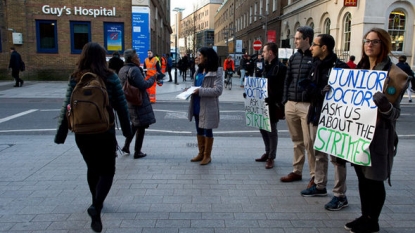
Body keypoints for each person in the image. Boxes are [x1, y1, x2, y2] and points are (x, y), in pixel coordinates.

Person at [54, 42, 132, 233]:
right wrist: (128, 132)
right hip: (104, 131)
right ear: (102, 58)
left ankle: (95, 202)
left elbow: (67, 107)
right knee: (108, 170)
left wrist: (61, 133)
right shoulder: (110, 77)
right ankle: (96, 205)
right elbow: (121, 106)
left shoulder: (75, 78)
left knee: (93, 168)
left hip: (81, 133)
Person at [344, 28, 410, 233]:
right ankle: (365, 216)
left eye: (375, 41)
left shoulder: (395, 75)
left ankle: (373, 221)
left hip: (379, 135)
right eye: (367, 40)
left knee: (374, 178)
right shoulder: (360, 71)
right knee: (362, 177)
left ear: (384, 45)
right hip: (358, 132)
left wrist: (385, 106)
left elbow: (395, 114)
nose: (369, 44)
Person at [297, 34, 350, 212]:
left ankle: (340, 195)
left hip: (334, 119)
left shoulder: (340, 68)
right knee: (318, 152)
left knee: (336, 157)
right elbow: (306, 91)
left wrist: (318, 92)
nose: (311, 47)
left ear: (324, 47)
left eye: (315, 45)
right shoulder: (314, 66)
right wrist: (316, 91)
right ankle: (320, 186)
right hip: (315, 115)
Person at [280, 26, 315, 187]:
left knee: (309, 142)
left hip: (307, 105)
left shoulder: (315, 57)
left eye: (298, 38)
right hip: (291, 104)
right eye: (295, 38)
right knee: (297, 141)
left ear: (307, 39)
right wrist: (285, 100)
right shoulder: (293, 58)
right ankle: (297, 171)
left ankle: (314, 175)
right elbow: (287, 80)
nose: (295, 41)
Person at [187, 47, 223, 165]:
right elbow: (196, 85)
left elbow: (218, 90)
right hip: (197, 104)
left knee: (208, 130)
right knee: (199, 129)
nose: (198, 57)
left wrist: (200, 91)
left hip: (208, 106)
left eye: (200, 55)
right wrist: (189, 90)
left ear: (207, 57)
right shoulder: (198, 70)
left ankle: (207, 156)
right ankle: (200, 153)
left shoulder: (216, 71)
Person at [254, 42, 287, 169]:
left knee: (271, 130)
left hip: (273, 104)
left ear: (270, 53)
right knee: (262, 127)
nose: (262, 54)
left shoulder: (280, 68)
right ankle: (267, 152)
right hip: (262, 102)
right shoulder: (265, 66)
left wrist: (272, 97)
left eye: (264, 51)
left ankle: (271, 157)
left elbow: (282, 88)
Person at [119, 49, 156, 159]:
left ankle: (126, 146)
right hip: (138, 101)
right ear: (132, 59)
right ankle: (137, 151)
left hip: (129, 100)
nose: (139, 58)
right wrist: (153, 79)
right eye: (137, 57)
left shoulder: (122, 69)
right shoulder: (134, 70)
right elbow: (143, 85)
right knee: (141, 126)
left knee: (135, 124)